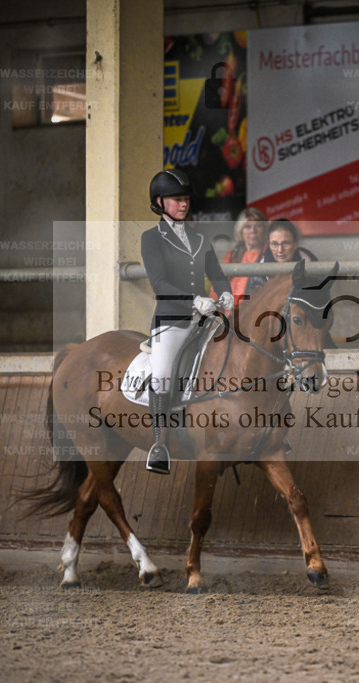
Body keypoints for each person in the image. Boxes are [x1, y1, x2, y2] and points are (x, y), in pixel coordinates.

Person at [141, 169, 233, 475]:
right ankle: (159, 444)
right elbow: (159, 283)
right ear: (160, 202)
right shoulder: (151, 239)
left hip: (205, 320)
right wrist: (194, 300)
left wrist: (226, 292)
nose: (184, 204)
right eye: (177, 200)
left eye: (185, 199)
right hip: (173, 321)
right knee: (163, 374)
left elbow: (217, 274)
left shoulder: (198, 237)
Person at [245, 218, 318, 296]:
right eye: (274, 244)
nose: (280, 250)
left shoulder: (309, 260)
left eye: (285, 243)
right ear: (269, 245)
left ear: (295, 244)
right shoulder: (259, 272)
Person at [222, 208, 268, 309]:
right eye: (248, 226)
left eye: (258, 226)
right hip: (228, 316)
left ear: (265, 229)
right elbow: (217, 288)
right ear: (240, 231)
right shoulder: (231, 256)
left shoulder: (269, 255)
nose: (253, 231)